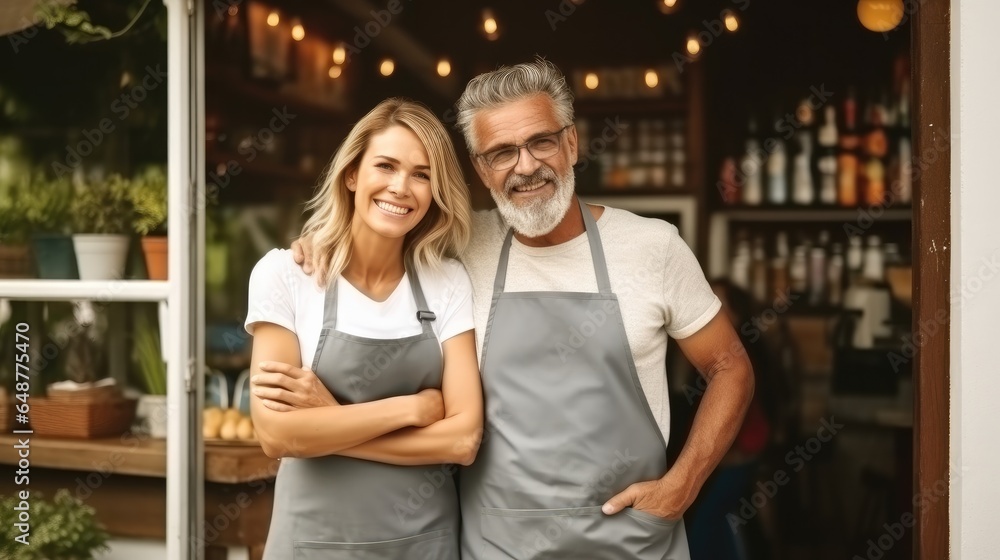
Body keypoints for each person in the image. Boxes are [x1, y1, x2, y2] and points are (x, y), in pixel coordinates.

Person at [286, 59, 755, 559]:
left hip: (632, 543)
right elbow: (378, 234)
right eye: (502, 152)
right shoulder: (456, 249)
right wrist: (321, 241)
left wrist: (684, 485)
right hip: (498, 547)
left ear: (571, 144)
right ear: (480, 168)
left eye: (541, 142)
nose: (526, 165)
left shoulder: (652, 247)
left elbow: (730, 368)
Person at [244, 98, 483, 560]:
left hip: (423, 545)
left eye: (422, 173)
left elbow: (462, 440)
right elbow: (276, 436)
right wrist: (412, 408)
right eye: (386, 166)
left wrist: (326, 418)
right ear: (352, 174)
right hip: (312, 546)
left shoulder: (448, 283)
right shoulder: (285, 276)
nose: (401, 187)